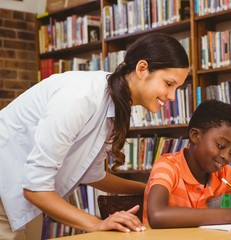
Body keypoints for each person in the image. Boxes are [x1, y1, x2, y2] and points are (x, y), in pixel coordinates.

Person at [0, 32, 189, 239]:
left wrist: (153, 190)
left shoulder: (117, 105)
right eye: (169, 84)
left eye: (177, 88)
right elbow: (35, 186)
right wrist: (97, 224)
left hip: (21, 196)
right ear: (142, 69)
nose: (171, 96)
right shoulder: (80, 98)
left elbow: (93, 174)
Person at [143, 99, 231, 228]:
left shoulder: (223, 173)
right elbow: (157, 215)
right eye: (221, 146)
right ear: (195, 136)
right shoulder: (168, 167)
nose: (226, 157)